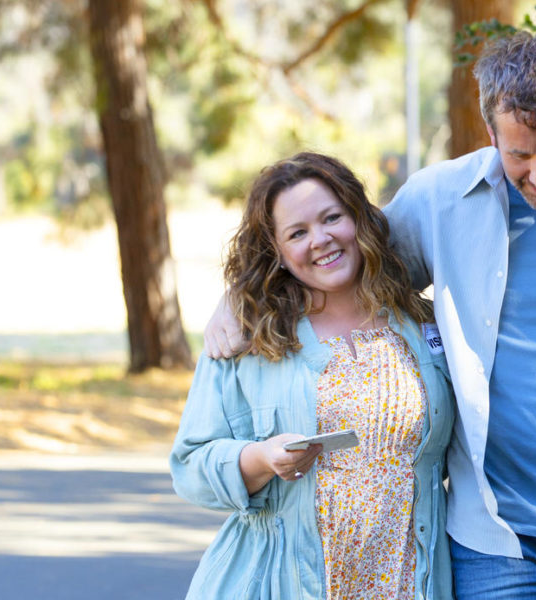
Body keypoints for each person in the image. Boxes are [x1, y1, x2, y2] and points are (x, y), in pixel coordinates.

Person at [207, 32, 536, 599]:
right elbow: (342, 266)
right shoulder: (438, 201)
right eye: (519, 155)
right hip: (496, 538)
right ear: (490, 131)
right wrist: (242, 293)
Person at [171, 152, 455, 599]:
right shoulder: (248, 335)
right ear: (278, 252)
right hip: (280, 584)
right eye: (297, 233)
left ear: (359, 219)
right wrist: (259, 459)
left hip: (409, 583)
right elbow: (190, 466)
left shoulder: (422, 323)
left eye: (331, 218)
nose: (320, 240)